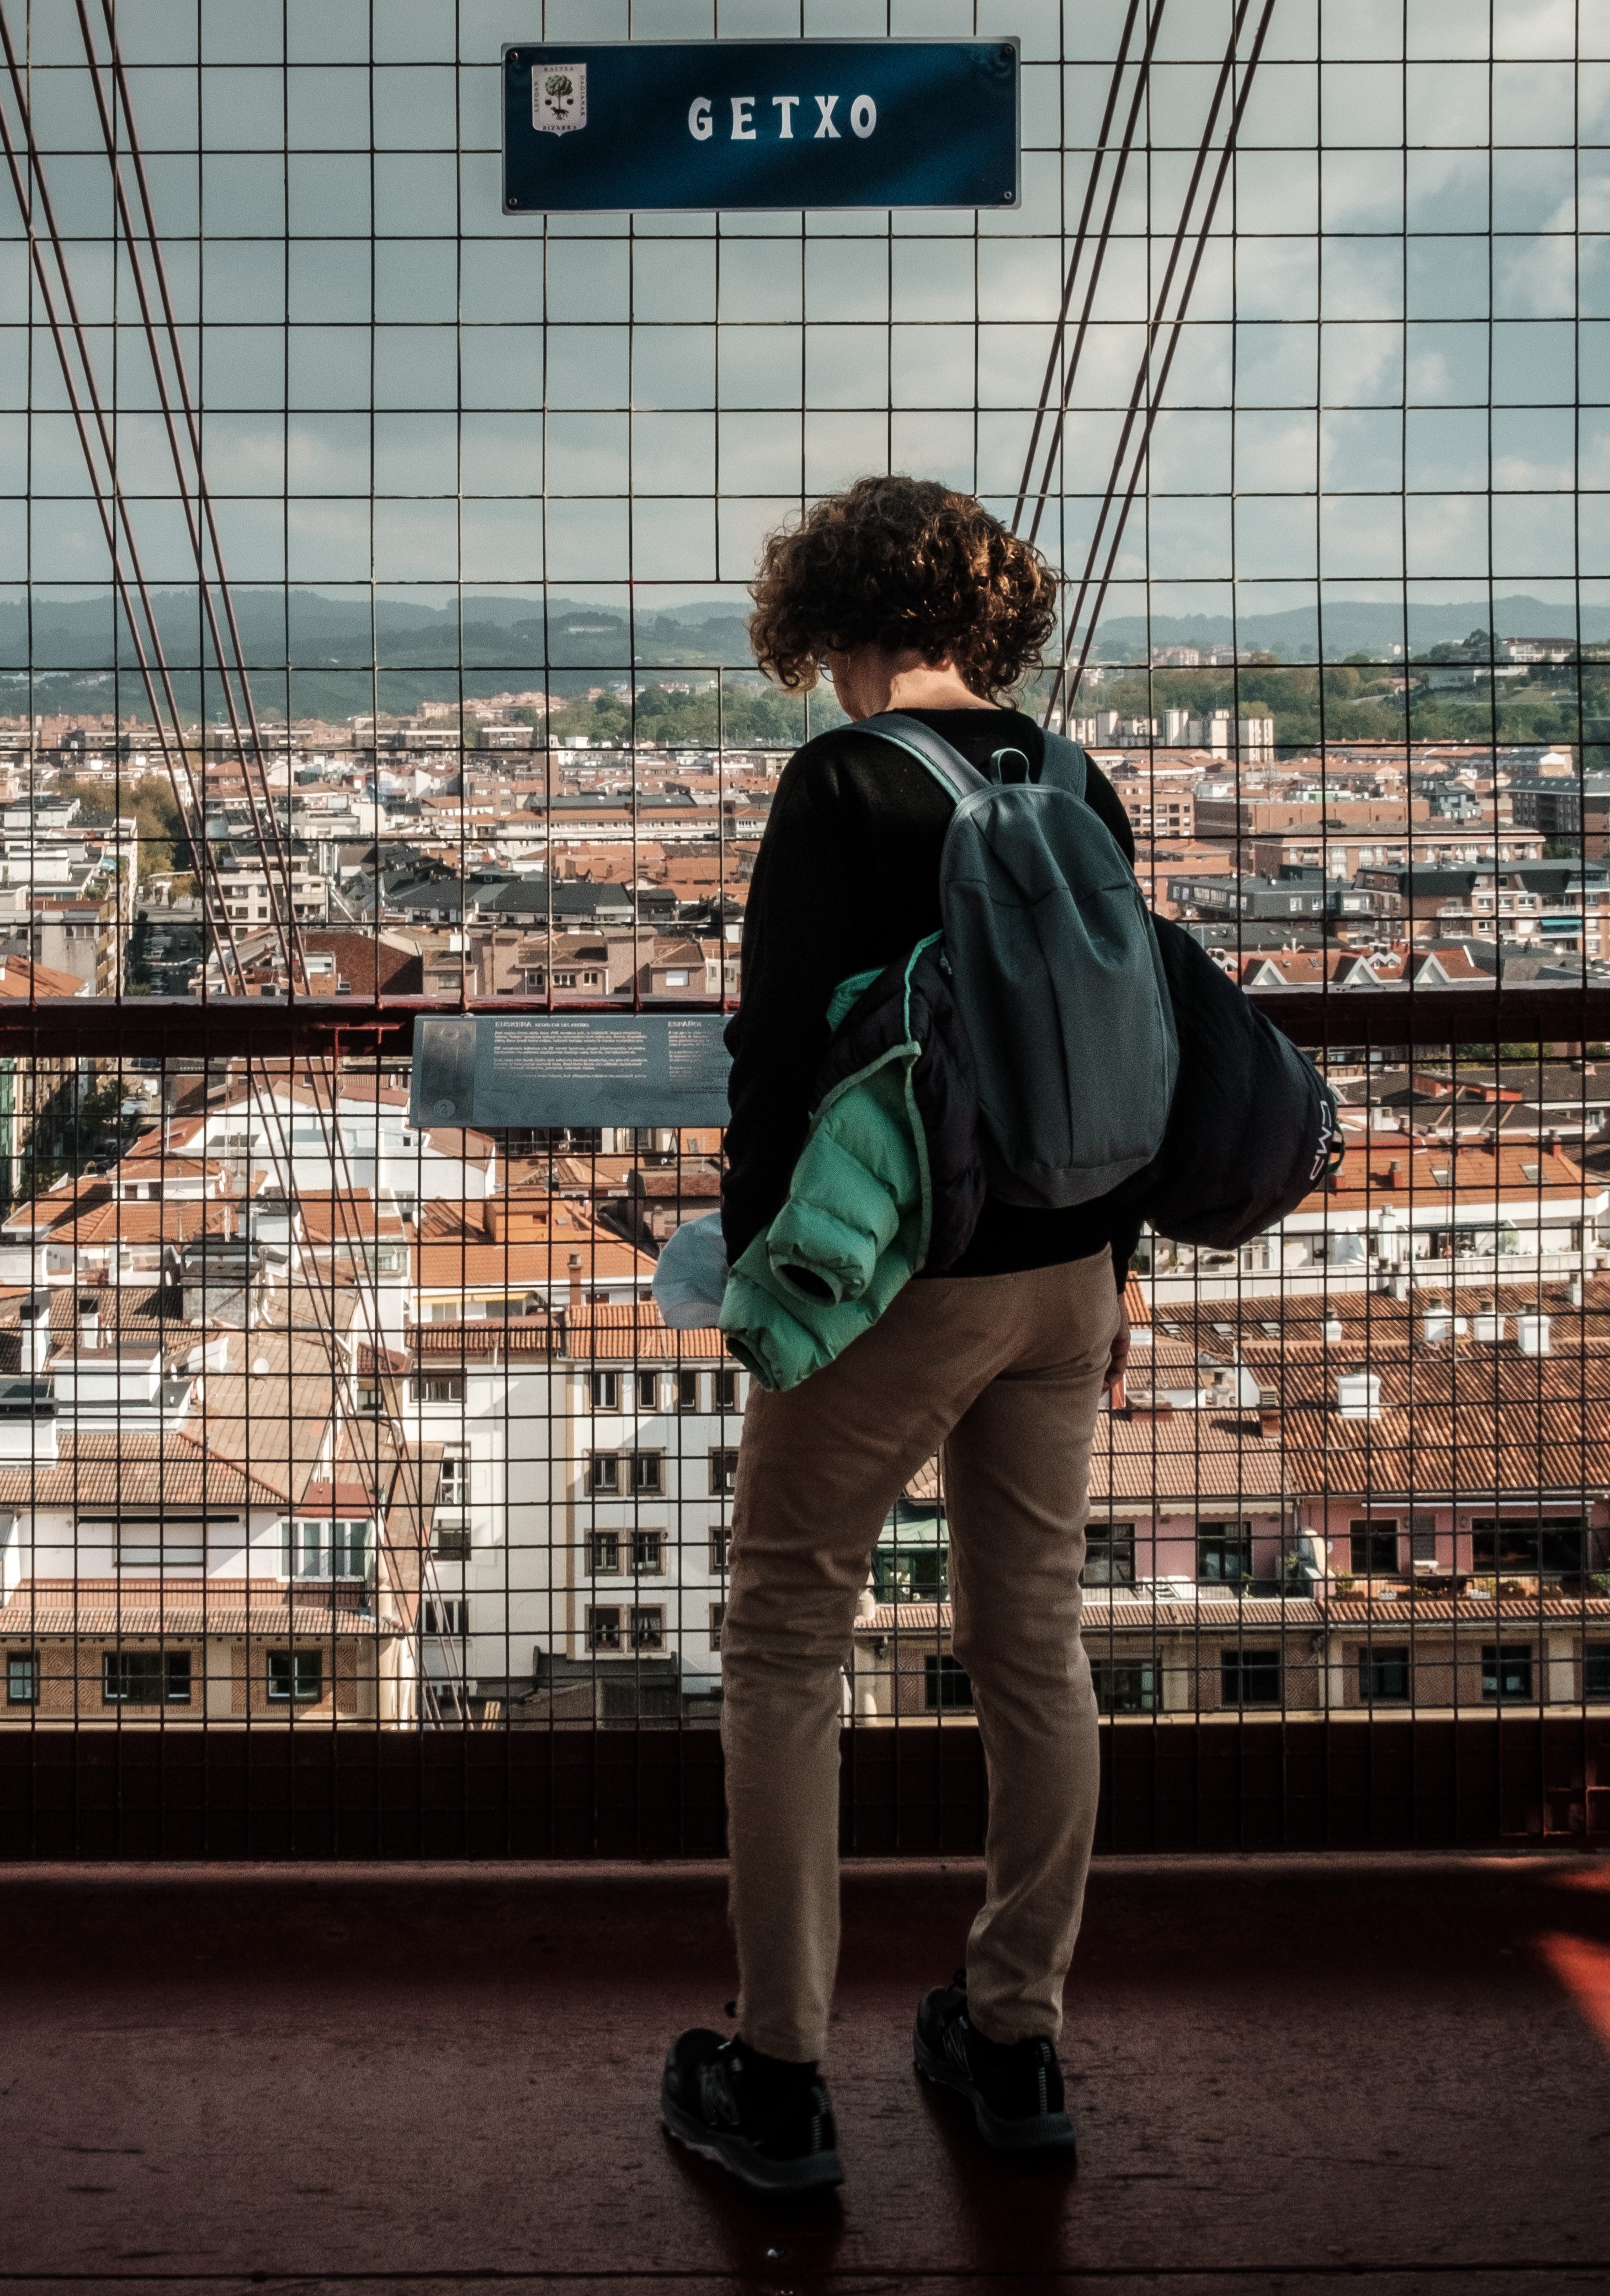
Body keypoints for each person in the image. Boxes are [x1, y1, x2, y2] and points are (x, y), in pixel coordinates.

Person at [660, 474, 1138, 2195]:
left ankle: (779, 2077)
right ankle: (1014, 2042)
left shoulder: (840, 780)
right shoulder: (1076, 776)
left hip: (899, 1284)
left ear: (834, 616)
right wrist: (1122, 1268)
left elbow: (772, 1050)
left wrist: (762, 1266)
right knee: (1034, 1639)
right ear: (987, 611)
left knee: (790, 1634)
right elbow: (1116, 1046)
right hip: (1069, 1271)